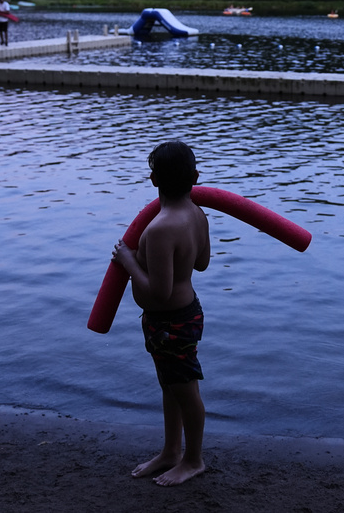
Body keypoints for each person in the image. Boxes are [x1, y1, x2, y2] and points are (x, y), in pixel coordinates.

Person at [112, 141, 211, 487]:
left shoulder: (158, 229)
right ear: (196, 177)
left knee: (185, 390)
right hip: (183, 315)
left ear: (153, 179)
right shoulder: (197, 214)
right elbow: (202, 262)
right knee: (171, 385)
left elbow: (159, 291)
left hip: (171, 321)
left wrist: (128, 261)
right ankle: (171, 451)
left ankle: (193, 459)